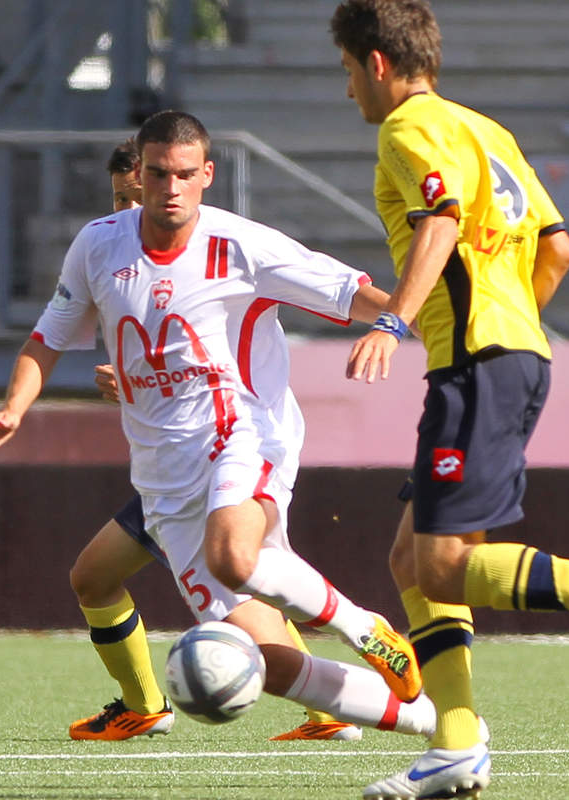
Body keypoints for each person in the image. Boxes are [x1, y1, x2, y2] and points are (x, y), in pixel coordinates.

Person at [0, 110, 436, 741]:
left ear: (207, 176)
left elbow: (348, 290)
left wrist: (400, 329)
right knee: (268, 662)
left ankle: (366, 630)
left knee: (235, 555)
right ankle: (422, 722)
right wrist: (15, 407)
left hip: (246, 432)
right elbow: (48, 337)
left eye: (184, 174)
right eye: (158, 173)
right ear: (140, 173)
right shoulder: (98, 245)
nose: (170, 187)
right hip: (163, 476)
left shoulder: (240, 244)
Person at [329, 2, 569, 797]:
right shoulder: (488, 130)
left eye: (349, 70)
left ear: (378, 64)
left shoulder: (405, 131)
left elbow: (441, 222)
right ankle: (456, 741)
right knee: (412, 559)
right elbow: (559, 249)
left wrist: (397, 320)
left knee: (444, 565)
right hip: (511, 350)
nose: (348, 89)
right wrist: (512, 326)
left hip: (477, 361)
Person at [67, 141, 364, 742]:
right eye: (119, 198)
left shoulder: (227, 254)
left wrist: (400, 319)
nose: (131, 208)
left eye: (136, 194)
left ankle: (351, 696)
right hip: (182, 456)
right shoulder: (123, 256)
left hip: (232, 447)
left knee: (234, 587)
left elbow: (333, 289)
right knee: (97, 578)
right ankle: (150, 706)